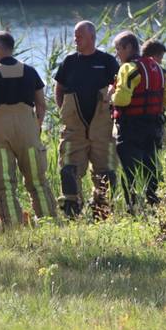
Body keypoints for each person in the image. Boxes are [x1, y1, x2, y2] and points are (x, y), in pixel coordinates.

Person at [0, 31, 58, 226]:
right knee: (37, 179)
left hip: (0, 130)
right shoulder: (30, 71)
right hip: (27, 129)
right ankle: (48, 222)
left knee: (4, 182)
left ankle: (12, 223)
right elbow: (41, 104)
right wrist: (36, 125)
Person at [54, 20, 120, 219]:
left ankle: (101, 213)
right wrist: (64, 110)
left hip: (102, 128)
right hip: (74, 128)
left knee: (106, 173)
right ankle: (72, 213)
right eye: (75, 36)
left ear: (92, 37)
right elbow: (59, 88)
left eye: (79, 36)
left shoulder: (107, 61)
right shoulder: (69, 62)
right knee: (68, 170)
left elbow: (118, 87)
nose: (76, 40)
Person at [111, 30, 166, 211]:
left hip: (131, 127)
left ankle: (132, 208)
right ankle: (154, 206)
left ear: (128, 47)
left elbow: (122, 100)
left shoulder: (128, 68)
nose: (117, 54)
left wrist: (111, 96)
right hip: (153, 127)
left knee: (129, 171)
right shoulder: (158, 68)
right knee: (151, 168)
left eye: (118, 49)